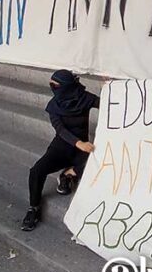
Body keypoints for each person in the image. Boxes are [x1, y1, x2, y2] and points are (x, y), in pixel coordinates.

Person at [22, 70, 98, 231]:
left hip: (81, 149)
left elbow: (108, 103)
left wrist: (110, 88)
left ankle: (69, 174)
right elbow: (61, 130)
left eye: (55, 85)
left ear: (67, 86)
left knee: (98, 162)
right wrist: (79, 143)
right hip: (62, 146)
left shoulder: (85, 98)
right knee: (36, 170)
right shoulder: (53, 105)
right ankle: (33, 208)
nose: (52, 88)